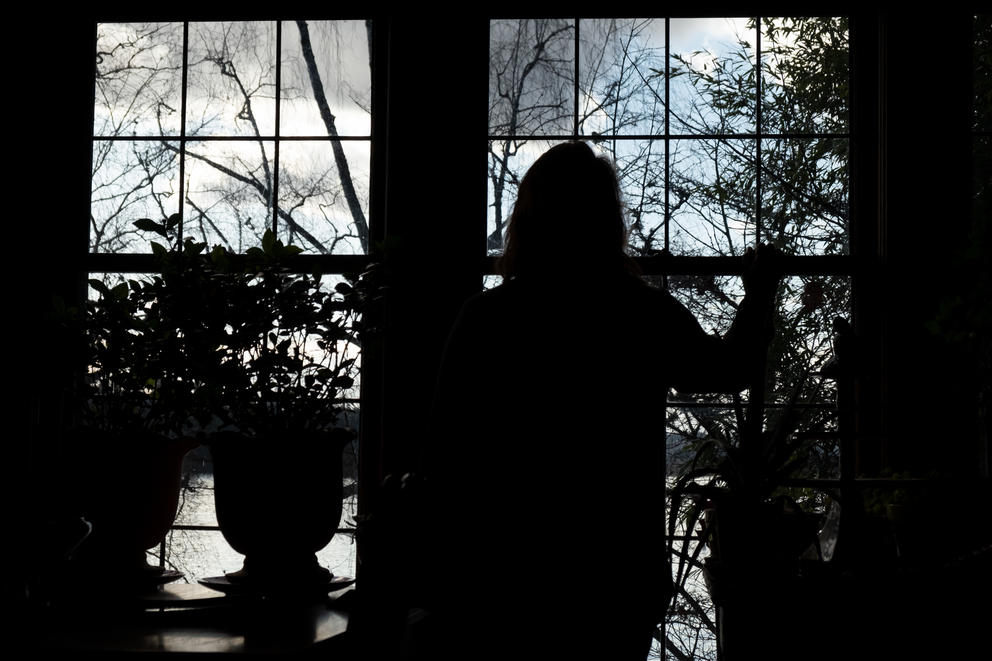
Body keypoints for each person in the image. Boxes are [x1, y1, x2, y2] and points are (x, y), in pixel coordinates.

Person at [420, 141, 780, 660]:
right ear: (608, 222)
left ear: (529, 217)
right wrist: (759, 294)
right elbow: (728, 370)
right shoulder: (640, 313)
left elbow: (443, 451)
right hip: (616, 573)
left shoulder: (486, 318)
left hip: (504, 574)